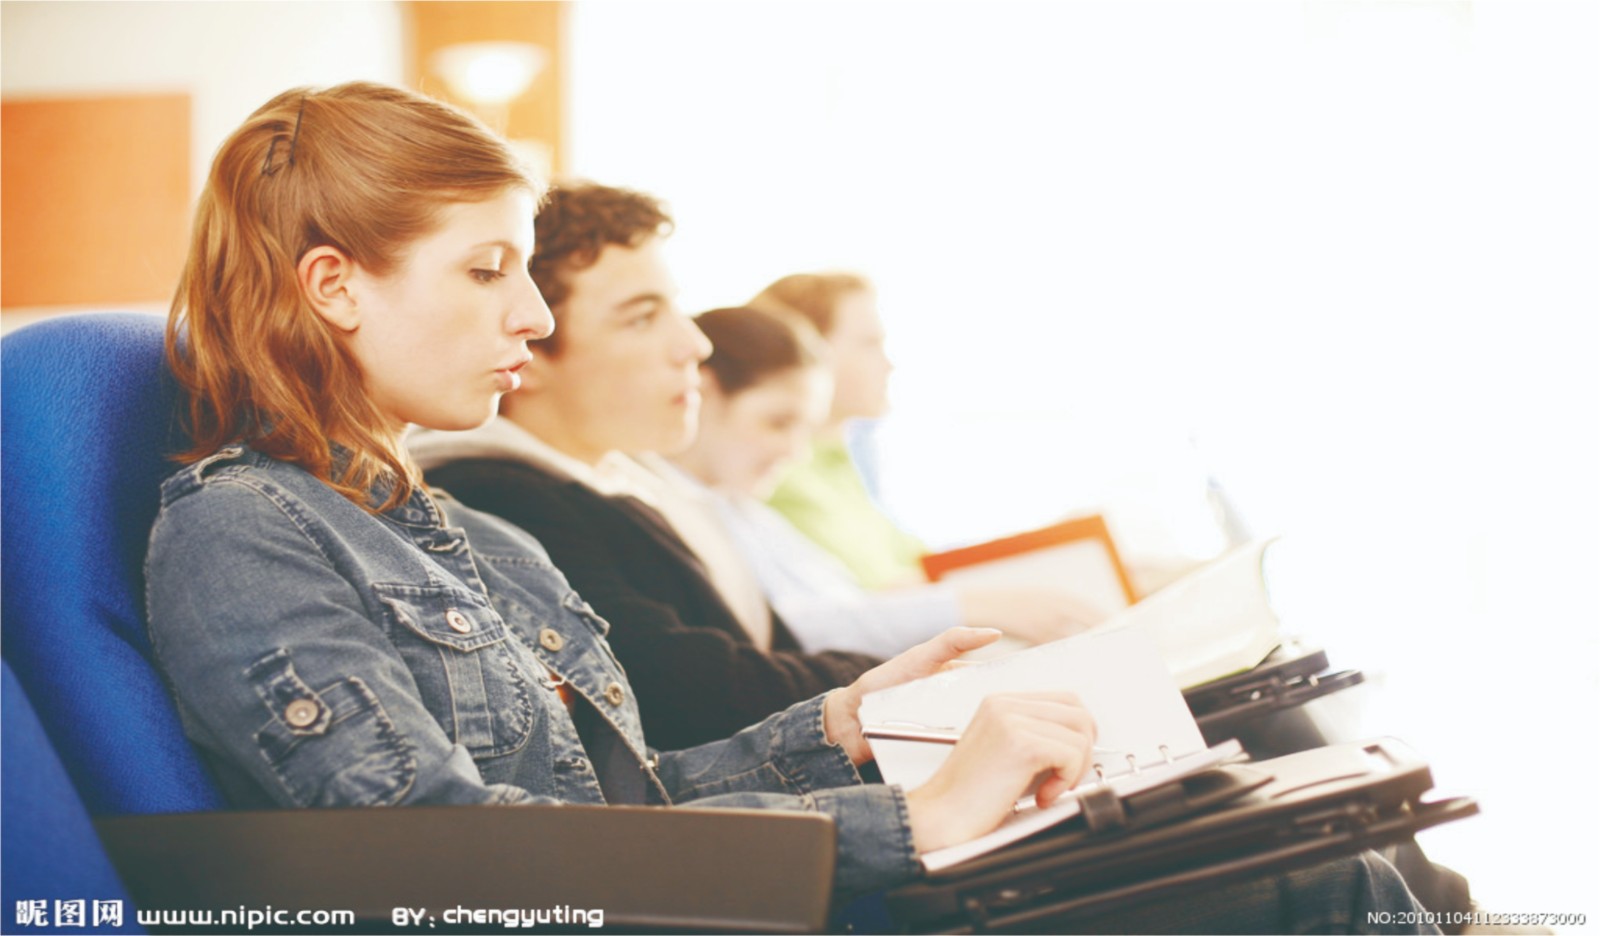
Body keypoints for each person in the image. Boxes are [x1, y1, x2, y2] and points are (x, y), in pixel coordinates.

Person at [146, 82, 1434, 932]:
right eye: (486, 273)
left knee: (1314, 838)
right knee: (1315, 882)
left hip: (730, 892)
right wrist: (911, 811)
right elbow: (437, 852)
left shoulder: (482, 536)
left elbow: (629, 800)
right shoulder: (244, 533)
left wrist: (841, 725)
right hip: (726, 910)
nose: (530, 320)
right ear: (333, 285)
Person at [409, 182, 883, 750]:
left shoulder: (627, 483)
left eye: (674, 310)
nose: (694, 345)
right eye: (641, 318)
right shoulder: (494, 497)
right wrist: (895, 676)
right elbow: (689, 693)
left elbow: (773, 656)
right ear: (527, 348)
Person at [669, 306, 1103, 657]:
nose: (796, 451)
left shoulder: (742, 509)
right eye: (778, 422)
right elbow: (797, 626)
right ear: (703, 393)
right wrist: (966, 606)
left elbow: (847, 600)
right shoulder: (681, 509)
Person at [750, 272, 929, 590]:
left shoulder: (841, 457)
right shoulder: (775, 474)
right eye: (869, 344)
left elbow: (925, 566)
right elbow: (872, 602)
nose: (889, 364)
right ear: (805, 351)